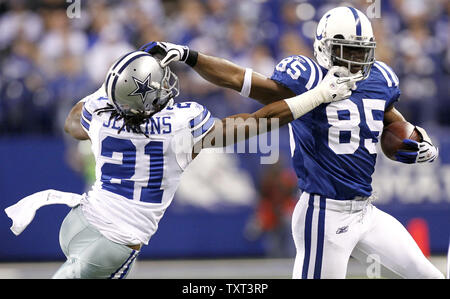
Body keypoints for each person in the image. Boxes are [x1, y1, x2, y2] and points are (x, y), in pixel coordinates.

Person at [143, 6, 444, 279]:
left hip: (366, 210)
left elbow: (391, 118)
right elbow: (240, 80)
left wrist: (420, 139)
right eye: (346, 51)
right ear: (325, 48)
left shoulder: (379, 78)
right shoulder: (308, 76)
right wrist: (190, 56)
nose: (354, 61)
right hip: (323, 213)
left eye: (360, 52)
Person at [5, 49, 358, 279]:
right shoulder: (182, 125)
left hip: (77, 221)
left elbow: (72, 122)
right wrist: (319, 95)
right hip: (112, 244)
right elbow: (259, 121)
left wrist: (111, 87)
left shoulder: (99, 116)